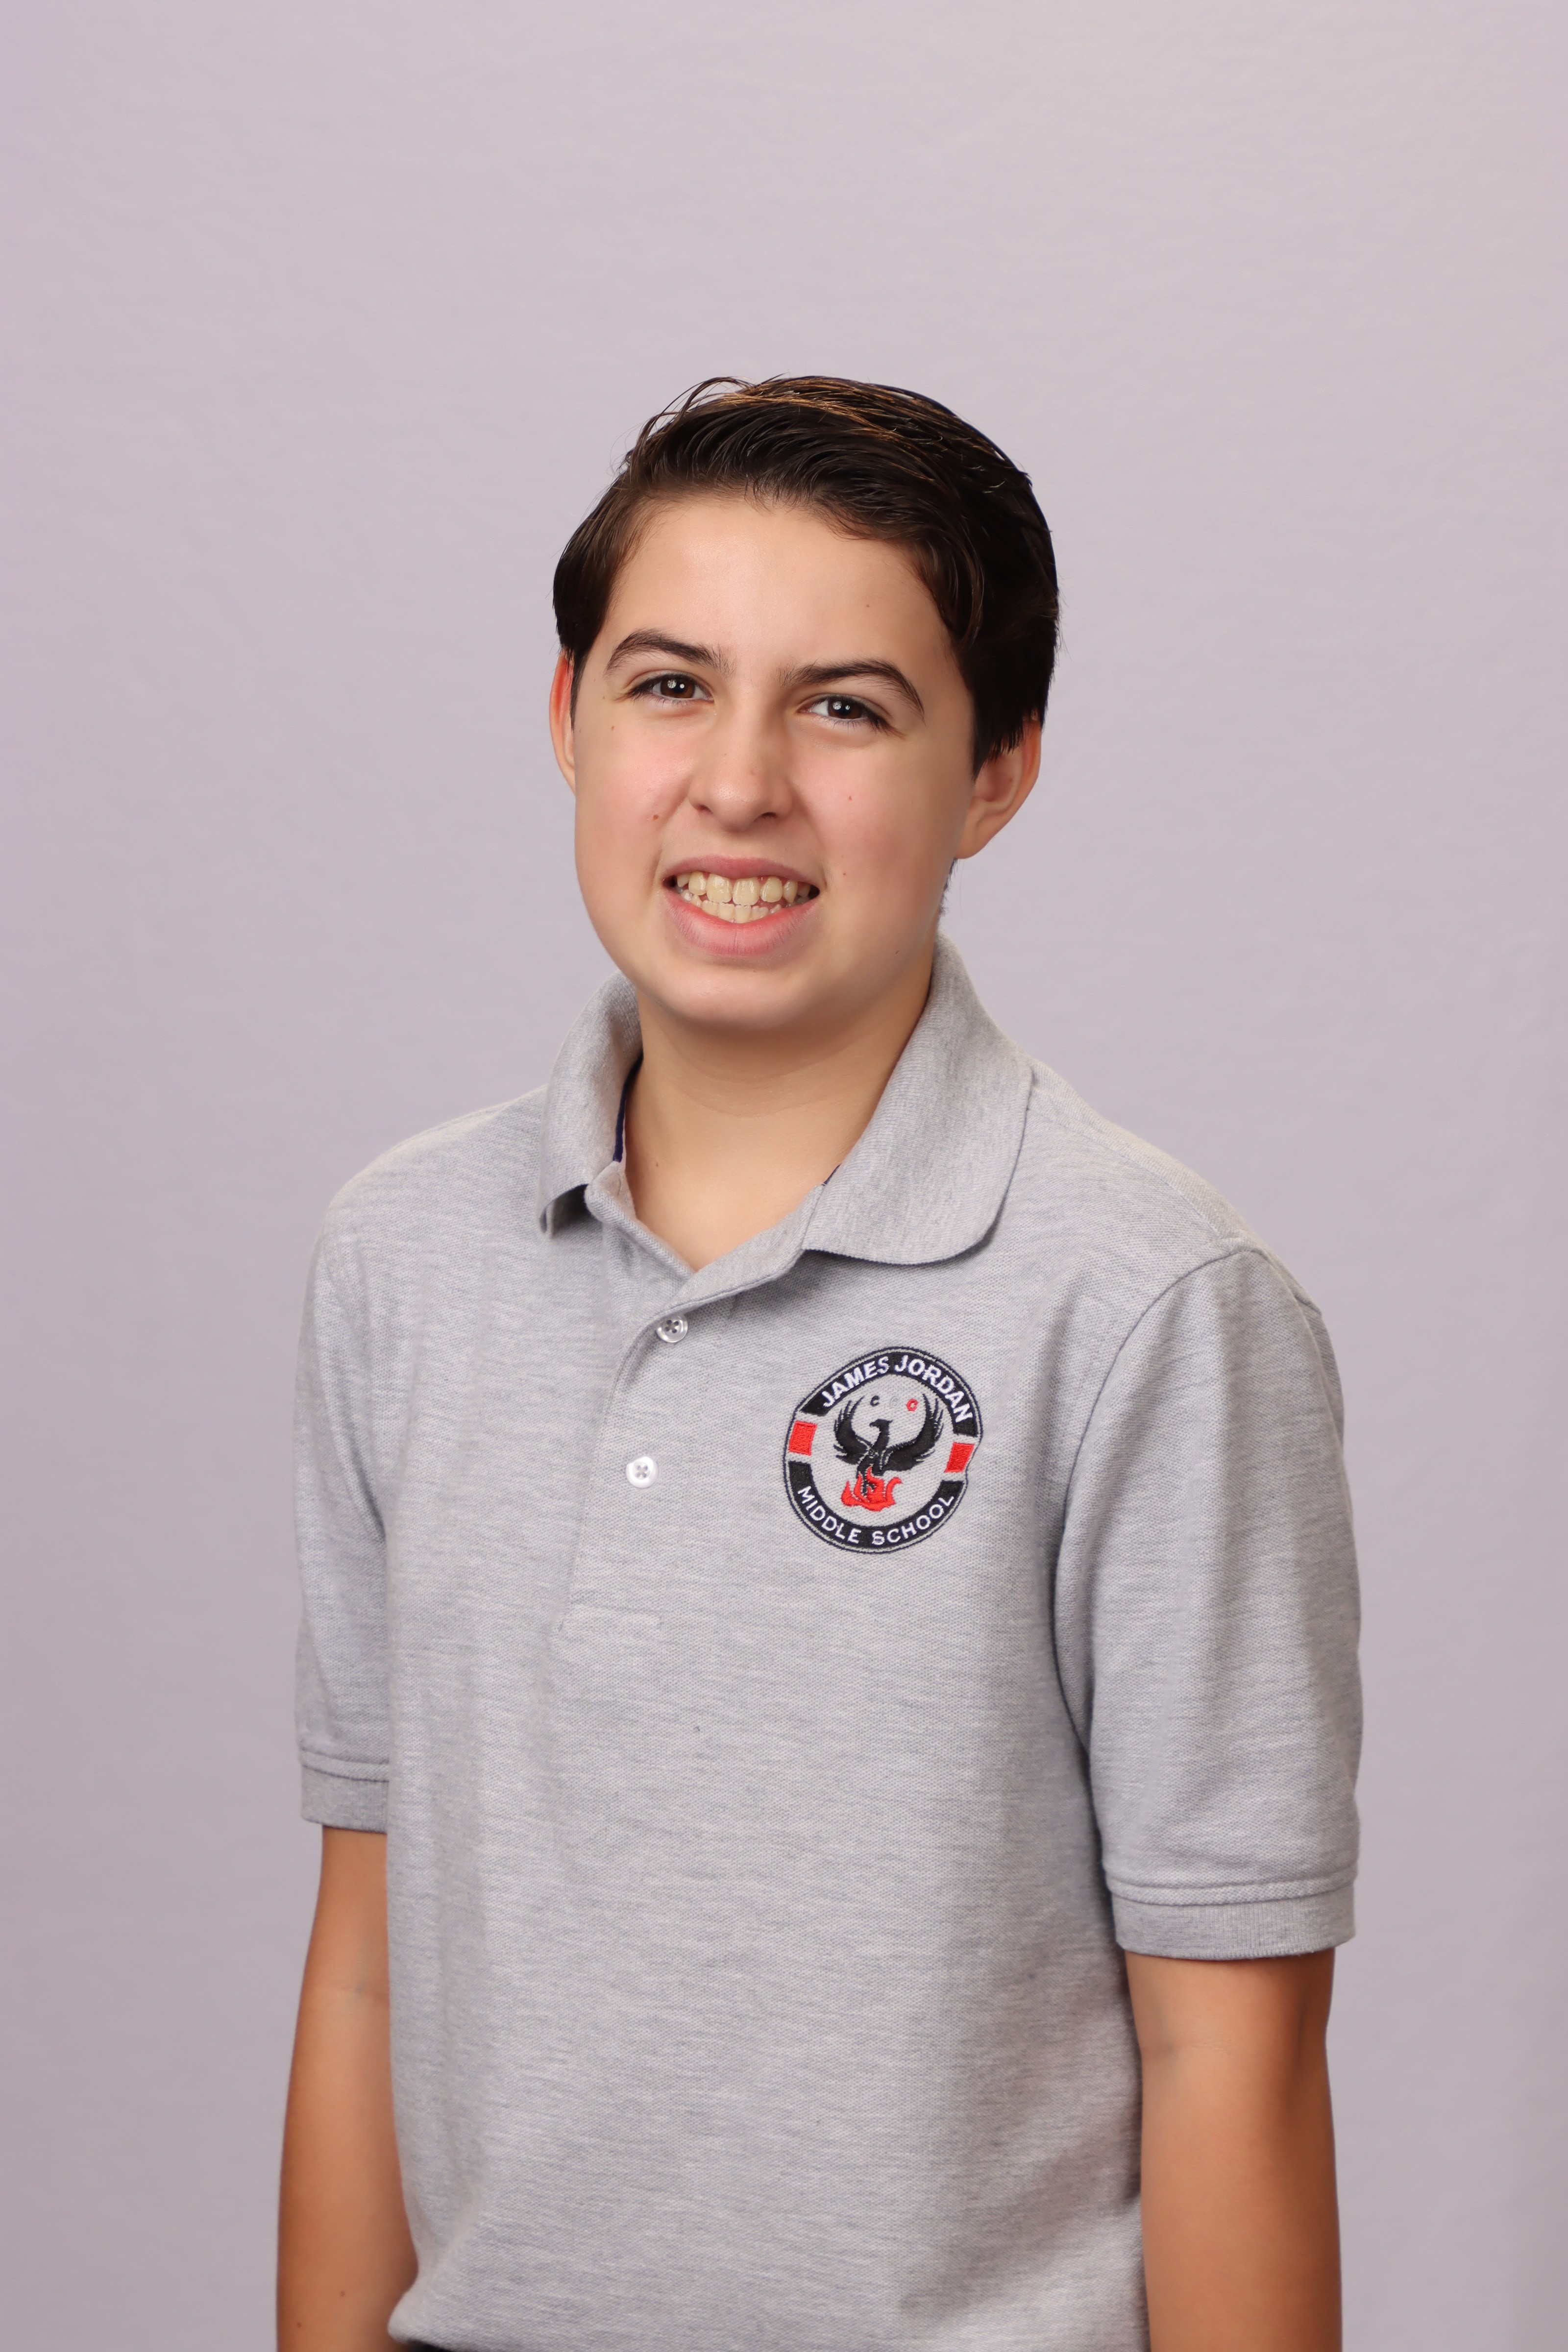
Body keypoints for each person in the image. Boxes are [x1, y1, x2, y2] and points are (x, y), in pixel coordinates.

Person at [278, 377, 1360, 2352]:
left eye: (845, 707)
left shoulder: (1150, 1304)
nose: (737, 785)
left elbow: (1235, 2058)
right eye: (669, 686)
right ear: (568, 717)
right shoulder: (403, 1258)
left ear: (996, 772)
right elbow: (367, 1957)